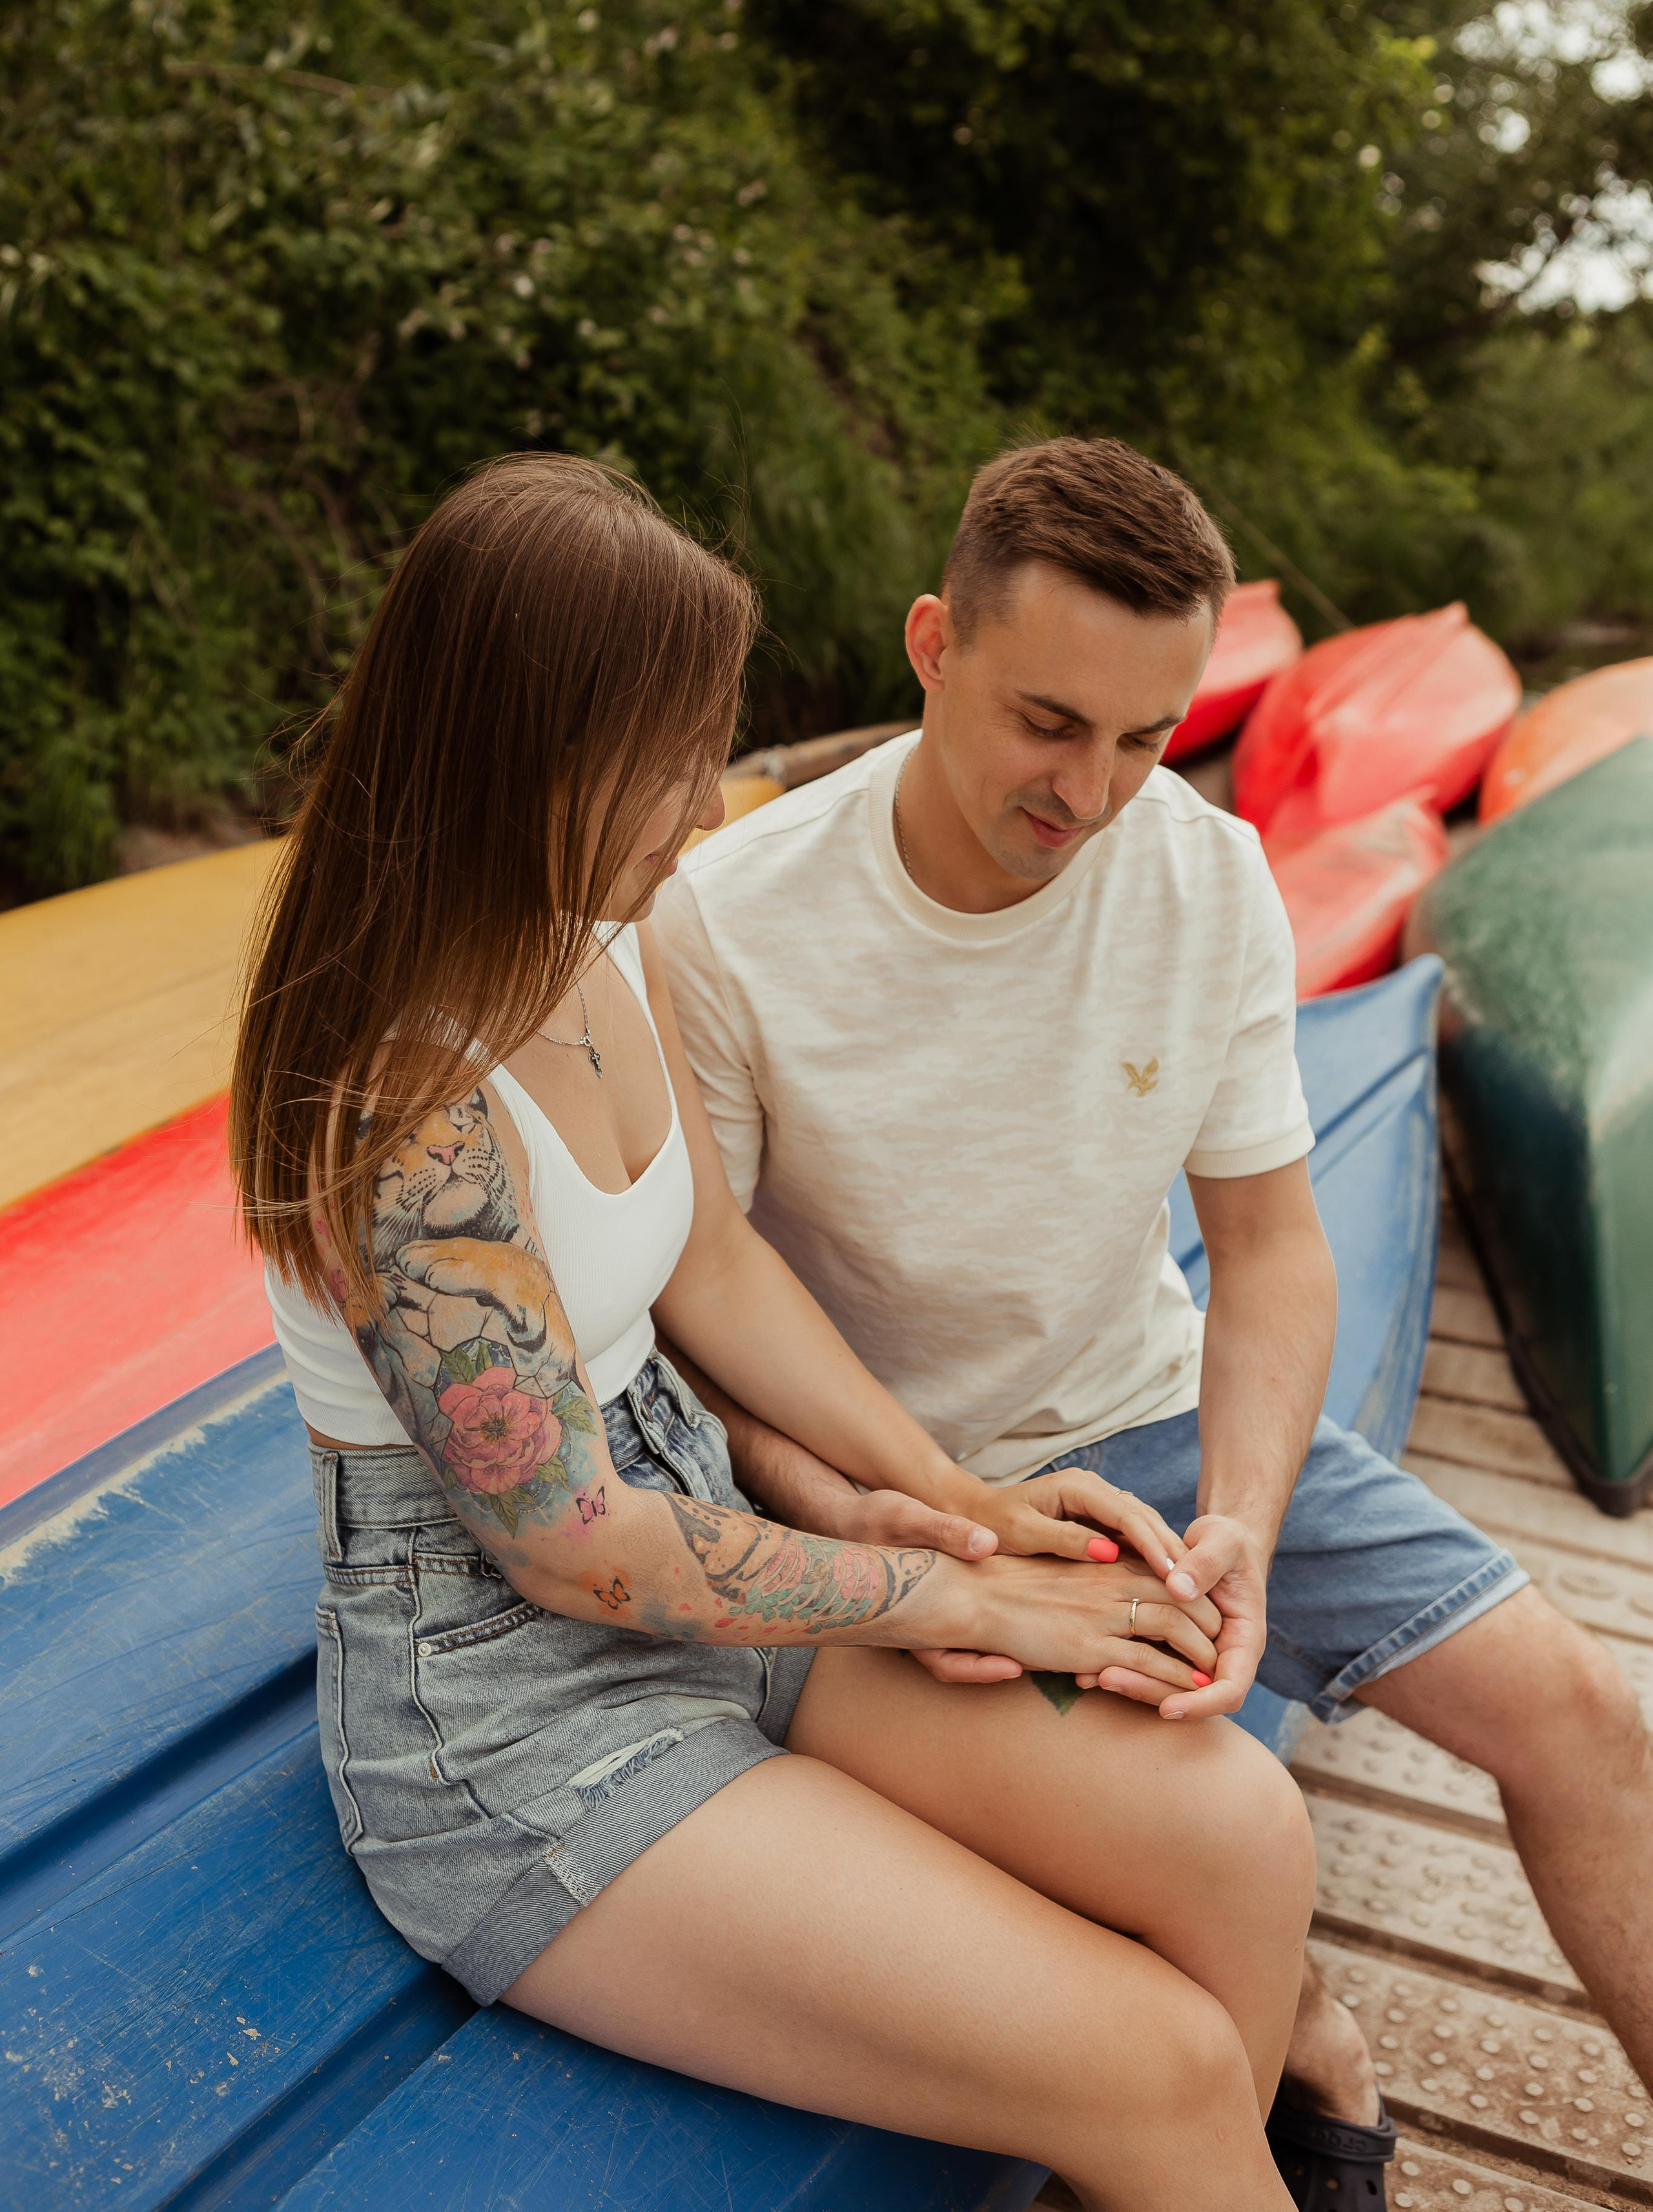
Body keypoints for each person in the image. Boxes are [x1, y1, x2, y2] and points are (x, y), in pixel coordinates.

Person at [231, 452, 1320, 2212]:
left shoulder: (607, 926)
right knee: (1166, 2066)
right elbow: (579, 1557)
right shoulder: (402, 1108)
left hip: (706, 1541)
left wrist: (945, 1493)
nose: (705, 800)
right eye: (671, 755)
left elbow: (714, 1261)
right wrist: (962, 1590)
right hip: (511, 1707)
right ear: (526, 747)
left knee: (1243, 1836)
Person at [655, 434, 1653, 2207]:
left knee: (1587, 1716)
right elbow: (712, 1329)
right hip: (911, 1492)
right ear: (932, 646)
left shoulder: (1202, 873)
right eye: (1051, 722)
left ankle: (1309, 2037)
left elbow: (1268, 1249)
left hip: (1153, 1424)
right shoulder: (735, 921)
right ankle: (1309, 2043)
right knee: (1207, 1832)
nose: (1095, 792)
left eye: (1146, 737)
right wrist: (905, 1531)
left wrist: (1244, 1525)